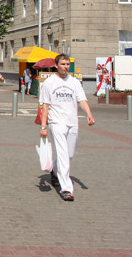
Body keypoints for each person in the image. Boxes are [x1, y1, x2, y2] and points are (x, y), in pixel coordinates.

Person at [39, 54, 95, 202]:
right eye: (63, 64)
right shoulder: (49, 83)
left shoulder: (74, 82)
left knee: (69, 154)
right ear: (56, 65)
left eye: (67, 64)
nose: (65, 67)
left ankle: (54, 171)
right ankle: (66, 189)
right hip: (56, 122)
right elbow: (45, 106)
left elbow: (82, 100)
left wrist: (89, 114)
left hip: (72, 122)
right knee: (63, 155)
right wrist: (44, 126)